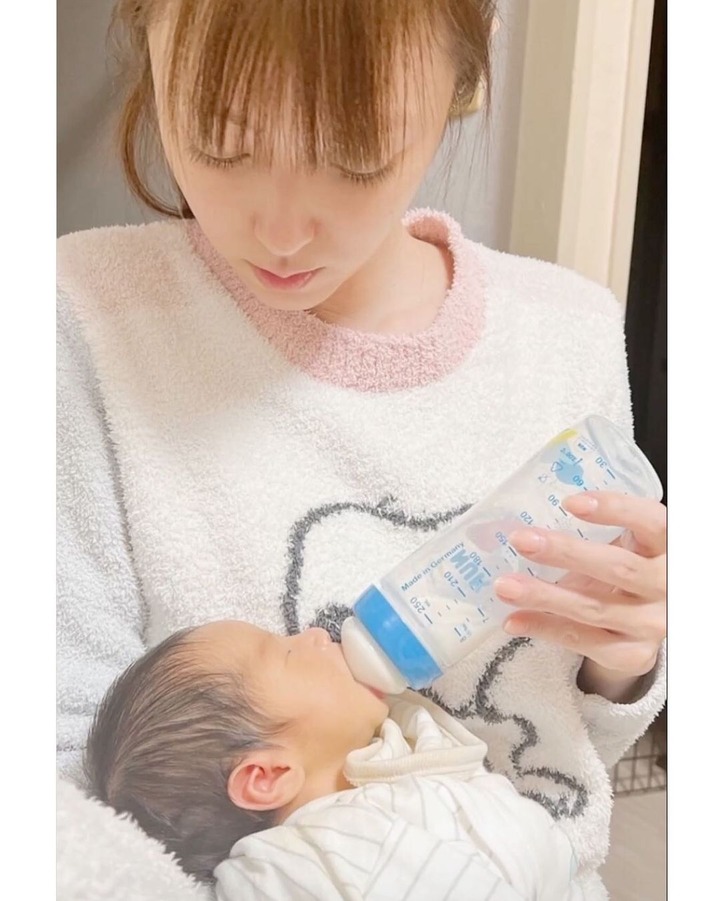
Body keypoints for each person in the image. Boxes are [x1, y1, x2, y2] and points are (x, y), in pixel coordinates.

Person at [57, 1, 667, 898]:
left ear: (464, 73)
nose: (282, 233)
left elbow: (569, 772)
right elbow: (62, 789)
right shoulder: (81, 321)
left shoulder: (570, 332)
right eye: (220, 142)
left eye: (354, 156)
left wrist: (623, 661)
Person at [85, 619, 586, 898]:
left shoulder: (403, 760)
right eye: (285, 653)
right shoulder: (290, 867)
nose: (313, 633)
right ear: (266, 775)